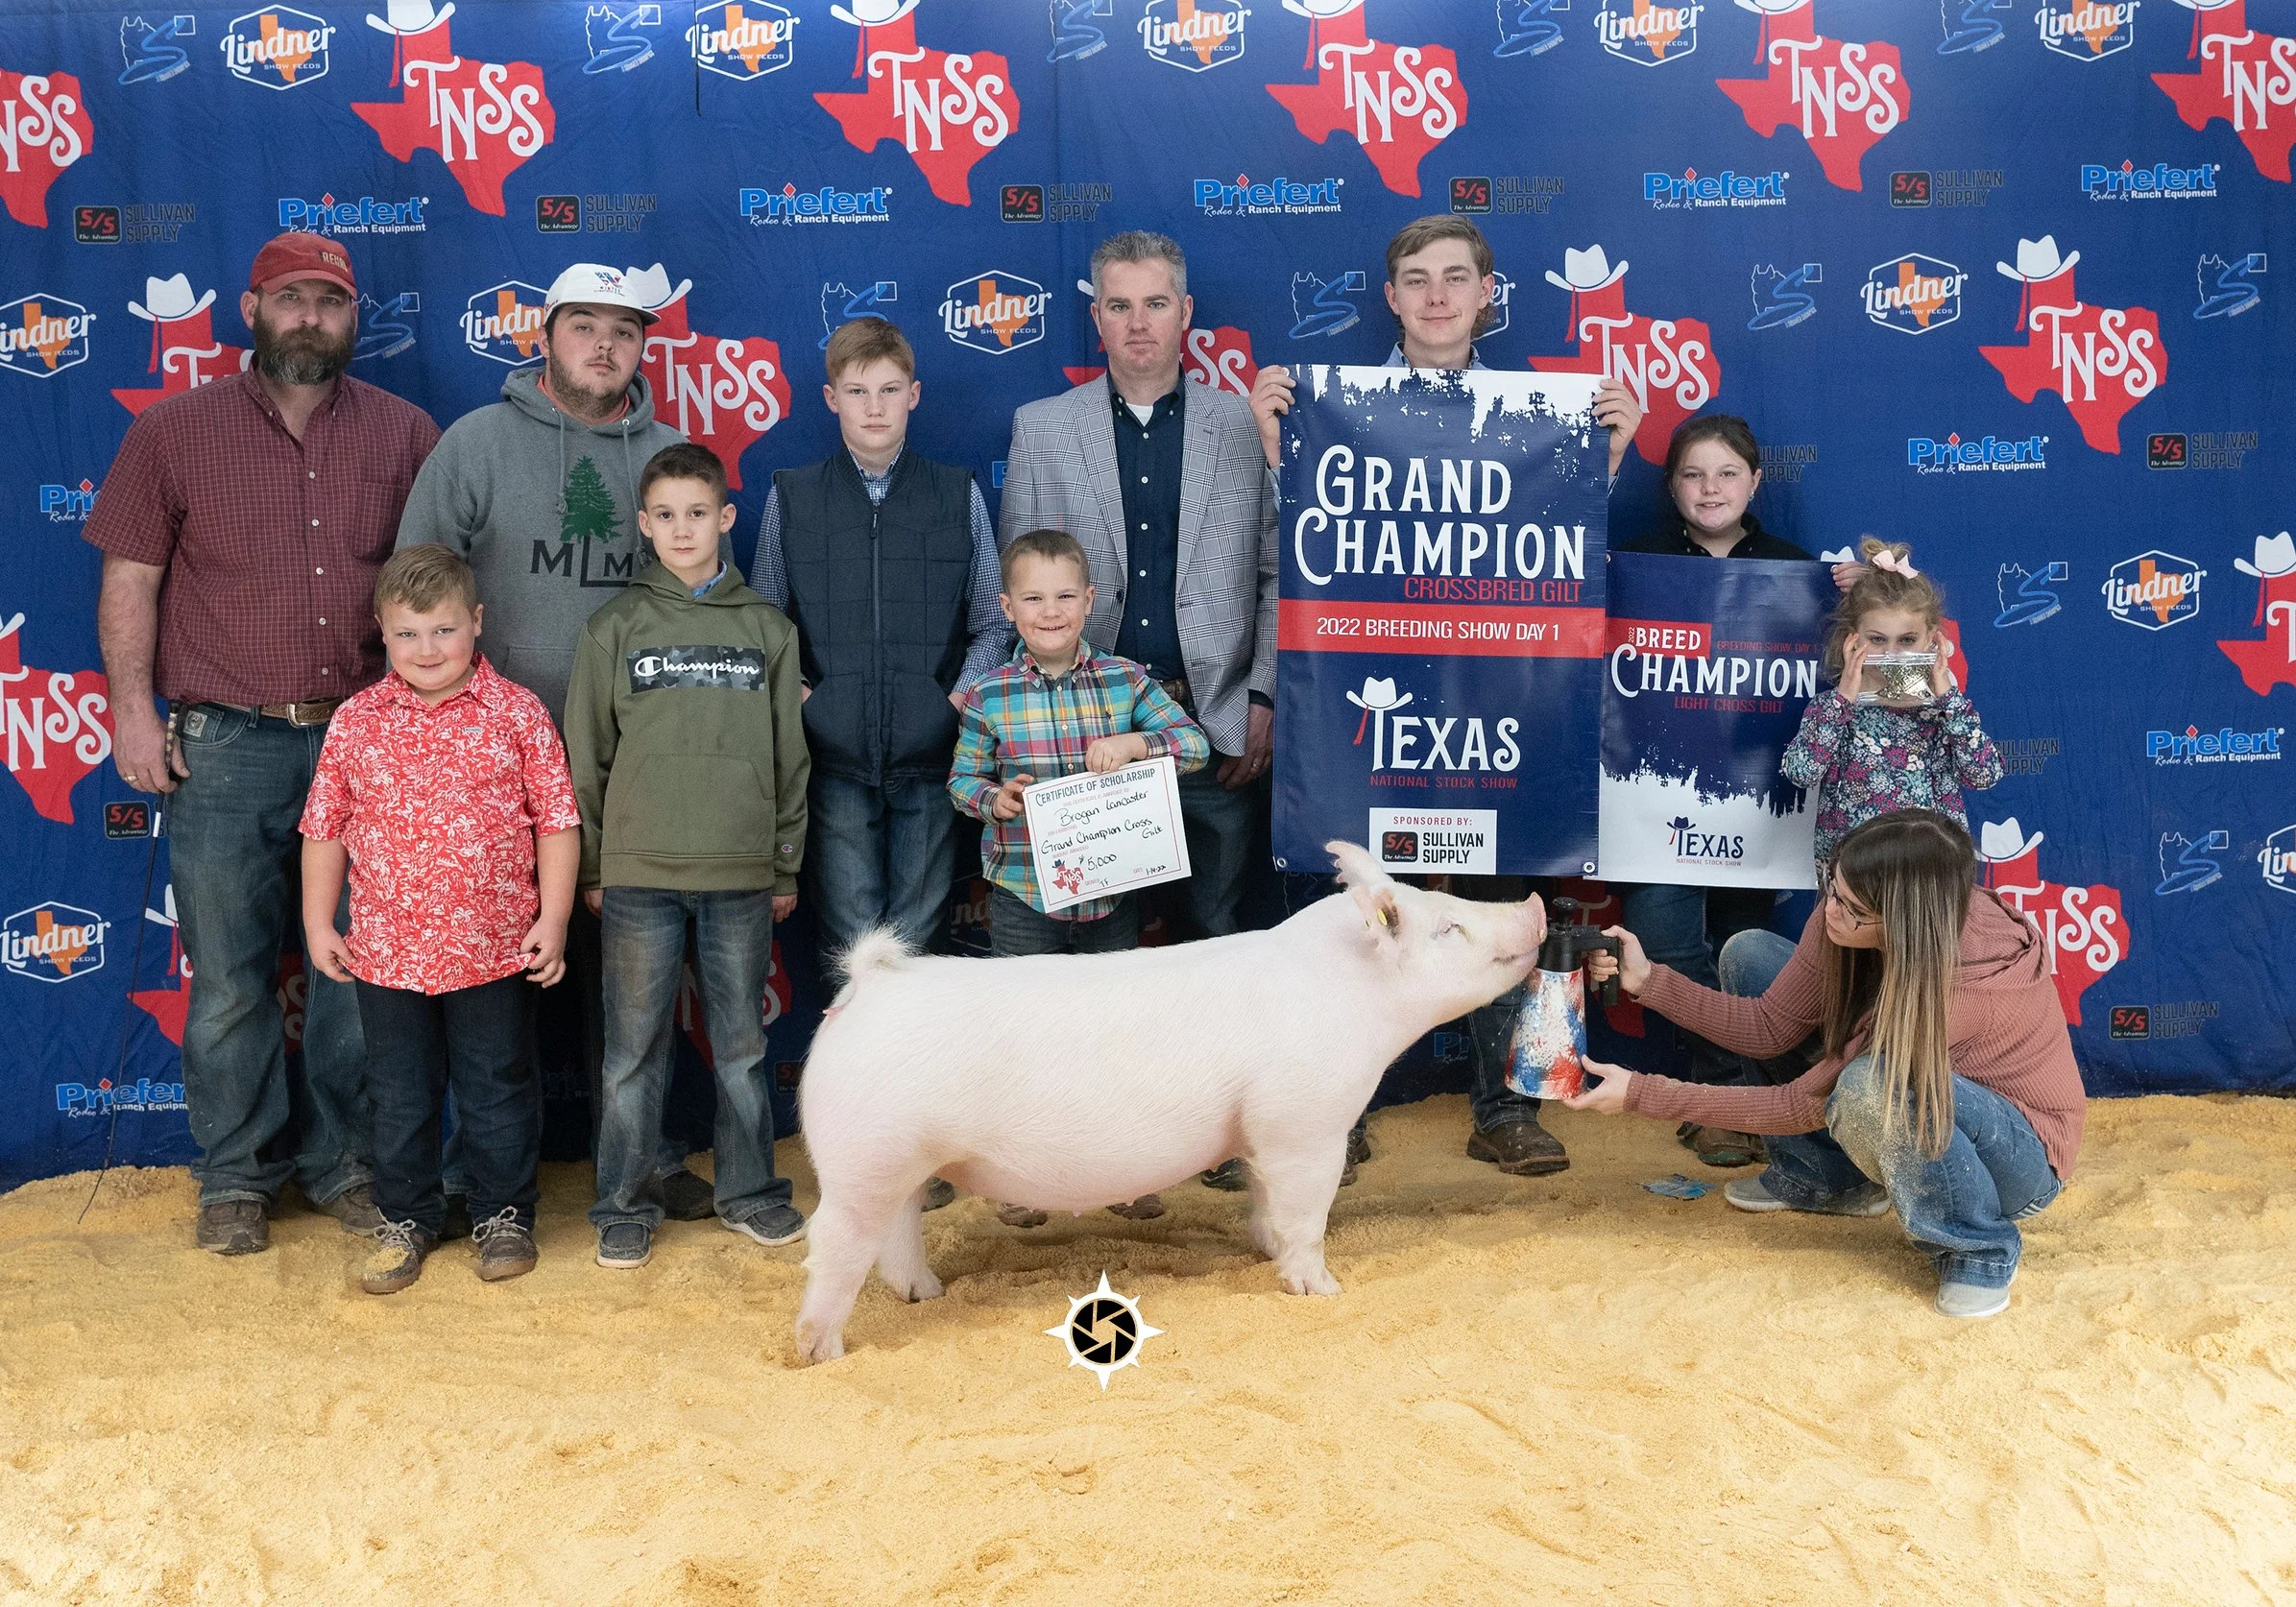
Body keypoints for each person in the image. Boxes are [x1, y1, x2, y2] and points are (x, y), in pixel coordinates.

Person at [1246, 214, 1645, 1182]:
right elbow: (1291, 548)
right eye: (1416, 277)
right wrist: (1275, 448)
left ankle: (1507, 1106)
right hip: (1367, 698)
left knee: (1510, 899)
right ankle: (1328, 1113)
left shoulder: (1536, 410)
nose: (1435, 294)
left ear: (1484, 294)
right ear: (1391, 298)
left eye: (1455, 277)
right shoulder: (1328, 407)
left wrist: (1613, 455)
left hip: (1498, 694)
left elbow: (1563, 541)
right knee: (1354, 911)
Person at [85, 230, 441, 1256]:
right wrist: (133, 712)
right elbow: (130, 583)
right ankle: (235, 1179)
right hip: (224, 744)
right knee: (232, 975)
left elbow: (438, 591)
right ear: (250, 309)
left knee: (353, 973)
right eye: (291, 299)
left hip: (363, 743)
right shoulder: (172, 432)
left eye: (330, 303)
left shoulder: (405, 433)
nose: (310, 319)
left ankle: (345, 1166)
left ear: (351, 317)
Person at [395, 263, 710, 1228]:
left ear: (646, 346)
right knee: (488, 981)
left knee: (635, 980)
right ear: (544, 334)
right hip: (488, 767)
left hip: (633, 767)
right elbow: (418, 587)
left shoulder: (670, 458)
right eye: (585, 325)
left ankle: (646, 1158)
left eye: (626, 328)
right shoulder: (478, 444)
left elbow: (705, 607)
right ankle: (478, 1176)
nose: (604, 344)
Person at [1566, 810, 2084, 1319]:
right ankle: (1828, 1178)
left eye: (1853, 909)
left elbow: (1803, 1103)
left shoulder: (1961, 990)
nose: (1832, 910)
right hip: (1926, 1100)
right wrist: (1650, 980)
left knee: (1868, 1085)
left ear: (1904, 920)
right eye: (1833, 889)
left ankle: (1978, 1248)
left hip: (2016, 1164)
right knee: (1748, 956)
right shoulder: (1860, 900)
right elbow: (1767, 1029)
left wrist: (1641, 1093)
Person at [299, 546, 581, 1295]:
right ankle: (407, 1219)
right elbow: (324, 828)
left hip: (492, 948)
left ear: (477, 623)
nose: (428, 650)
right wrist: (319, 923)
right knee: (398, 1092)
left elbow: (555, 822)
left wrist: (552, 919)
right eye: (408, 634)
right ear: (383, 634)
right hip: (387, 952)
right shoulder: (356, 722)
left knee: (498, 1084)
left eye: (444, 630)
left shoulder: (518, 713)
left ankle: (501, 1215)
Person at [566, 443, 810, 1270]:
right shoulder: (614, 628)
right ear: (642, 523)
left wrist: (782, 863)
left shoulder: (767, 630)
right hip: (638, 877)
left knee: (742, 1048)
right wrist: (595, 865)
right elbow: (585, 758)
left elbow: (790, 759)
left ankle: (749, 1192)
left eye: (697, 513)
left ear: (725, 519)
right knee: (632, 1052)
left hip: (740, 875)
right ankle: (624, 1202)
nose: (681, 528)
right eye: (664, 515)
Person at [998, 231, 1275, 943]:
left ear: (1185, 312)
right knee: (1100, 947)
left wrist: (1264, 697)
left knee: (1213, 934)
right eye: (1119, 305)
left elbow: (1277, 577)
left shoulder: (1246, 427)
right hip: (1085, 739)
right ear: (1098, 320)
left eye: (1155, 303)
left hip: (1212, 730)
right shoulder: (1043, 428)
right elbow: (1020, 586)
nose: (1138, 322)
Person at [948, 530, 1210, 1226]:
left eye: (1065, 595)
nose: (1051, 610)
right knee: (1023, 1037)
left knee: (1113, 1036)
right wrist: (993, 800)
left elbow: (1192, 744)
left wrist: (1134, 743)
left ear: (1089, 601)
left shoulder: (1126, 680)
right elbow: (961, 781)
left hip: (1109, 896)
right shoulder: (988, 696)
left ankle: (1122, 1173)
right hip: (1022, 893)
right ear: (1006, 607)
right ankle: (1019, 1178)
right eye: (1033, 598)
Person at [1609, 414, 1851, 1169]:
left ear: (1754, 482)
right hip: (1652, 801)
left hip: (1757, 803)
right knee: (1667, 942)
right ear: (1671, 484)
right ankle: (1715, 1093)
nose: (1708, 488)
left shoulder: (1797, 568)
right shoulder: (1633, 561)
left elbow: (1865, 663)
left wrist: (1850, 594)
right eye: (1691, 474)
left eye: (1725, 474)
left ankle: (1741, 1102)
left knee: (1743, 949)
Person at [1784, 539, 2003, 873]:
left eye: (1907, 640)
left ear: (1932, 638)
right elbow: (1801, 773)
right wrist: (1843, 699)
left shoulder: (1943, 712)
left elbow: (1984, 774)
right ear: (1852, 638)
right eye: (1877, 639)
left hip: (1928, 879)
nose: (1892, 654)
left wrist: (1949, 700)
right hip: (1853, 880)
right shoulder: (1832, 708)